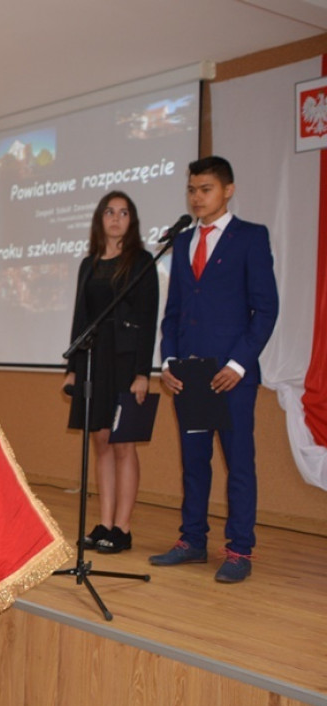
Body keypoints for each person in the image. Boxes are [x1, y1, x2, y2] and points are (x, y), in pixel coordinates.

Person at [150, 156, 279, 583]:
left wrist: (240, 364)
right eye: (191, 189)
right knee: (194, 461)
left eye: (205, 189)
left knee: (239, 462)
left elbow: (266, 308)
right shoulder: (183, 242)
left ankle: (240, 549)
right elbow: (173, 314)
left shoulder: (251, 238)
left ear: (228, 190)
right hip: (190, 375)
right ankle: (192, 541)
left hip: (233, 376)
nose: (196, 197)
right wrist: (168, 361)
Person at [62, 191, 158, 554]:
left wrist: (142, 373)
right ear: (99, 219)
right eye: (109, 212)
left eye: (123, 213)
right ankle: (103, 523)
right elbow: (80, 318)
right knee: (100, 442)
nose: (116, 218)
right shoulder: (88, 264)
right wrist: (73, 369)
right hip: (92, 361)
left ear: (131, 220)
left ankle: (123, 527)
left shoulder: (142, 262)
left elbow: (148, 321)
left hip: (124, 361)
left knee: (123, 444)